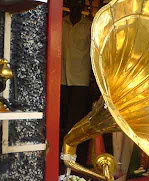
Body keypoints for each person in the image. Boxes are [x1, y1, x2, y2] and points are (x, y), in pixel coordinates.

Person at [60, 0, 92, 167]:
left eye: (78, 4)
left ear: (82, 8)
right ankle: (61, 155)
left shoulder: (89, 26)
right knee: (62, 119)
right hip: (61, 78)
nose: (75, 8)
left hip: (80, 80)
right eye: (73, 4)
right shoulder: (60, 24)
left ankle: (75, 158)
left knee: (76, 121)